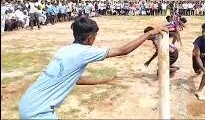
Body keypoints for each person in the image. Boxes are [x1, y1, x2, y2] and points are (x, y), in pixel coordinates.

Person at [19, 16, 167, 119]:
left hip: (27, 103)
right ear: (91, 38)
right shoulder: (85, 52)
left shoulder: (64, 50)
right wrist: (149, 33)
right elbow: (123, 50)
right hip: (39, 112)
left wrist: (105, 80)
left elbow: (76, 80)